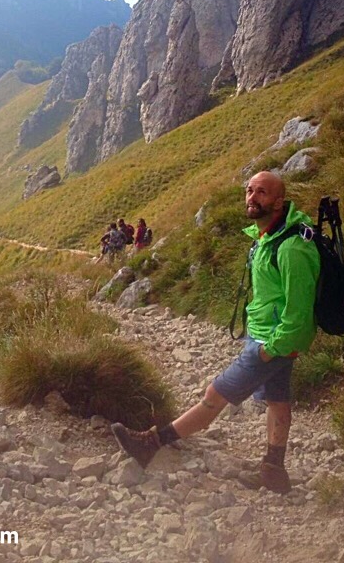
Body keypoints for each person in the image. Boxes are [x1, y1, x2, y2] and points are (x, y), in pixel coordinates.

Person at [110, 171, 320, 493]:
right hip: (266, 335)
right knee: (277, 400)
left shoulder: (292, 247)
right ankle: (273, 471)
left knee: (215, 395)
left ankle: (151, 443)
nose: (252, 198)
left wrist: (270, 348)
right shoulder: (267, 237)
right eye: (249, 191)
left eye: (262, 192)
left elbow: (300, 312)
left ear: (279, 201)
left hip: (271, 342)